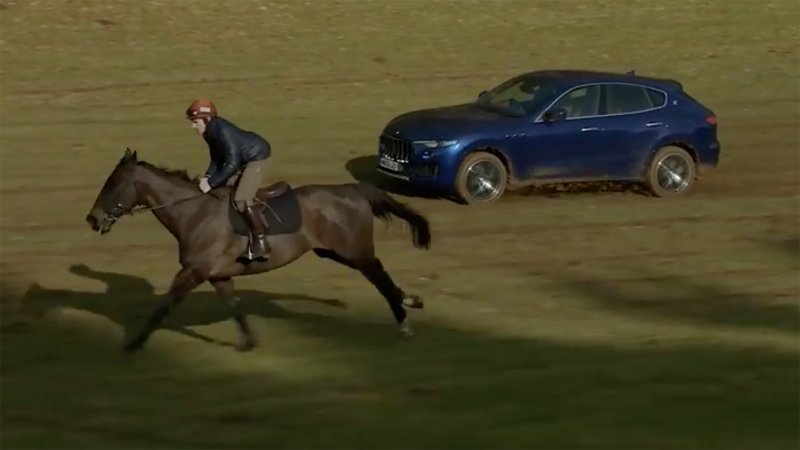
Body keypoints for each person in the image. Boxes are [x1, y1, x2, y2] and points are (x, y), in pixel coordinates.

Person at [185, 98, 271, 260]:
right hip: (240, 159)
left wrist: (211, 183)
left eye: (195, 122)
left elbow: (232, 164)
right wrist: (208, 177)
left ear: (206, 119)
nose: (193, 126)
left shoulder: (223, 131)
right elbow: (216, 159)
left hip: (256, 157)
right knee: (223, 191)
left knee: (241, 199)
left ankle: (261, 244)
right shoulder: (209, 132)